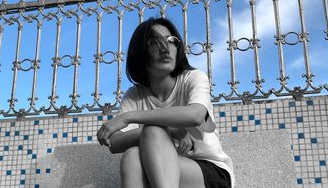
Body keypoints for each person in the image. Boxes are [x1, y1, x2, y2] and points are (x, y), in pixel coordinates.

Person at [97, 17, 234, 188]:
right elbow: (114, 143)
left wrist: (129, 118)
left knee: (152, 130)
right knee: (133, 155)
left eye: (171, 41)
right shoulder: (134, 95)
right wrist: (168, 130)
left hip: (209, 172)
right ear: (140, 51)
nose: (165, 49)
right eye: (155, 42)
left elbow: (196, 115)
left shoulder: (193, 78)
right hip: (163, 175)